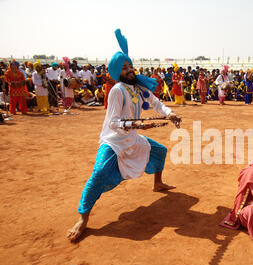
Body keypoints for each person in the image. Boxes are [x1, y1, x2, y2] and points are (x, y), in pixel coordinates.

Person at [67, 29, 182, 242]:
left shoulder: (138, 87)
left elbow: (156, 103)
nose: (130, 70)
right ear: (118, 71)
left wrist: (170, 113)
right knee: (99, 174)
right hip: (114, 142)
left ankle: (158, 183)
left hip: (134, 138)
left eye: (130, 66)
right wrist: (136, 124)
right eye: (125, 67)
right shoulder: (117, 90)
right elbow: (113, 122)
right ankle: (83, 219)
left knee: (159, 151)